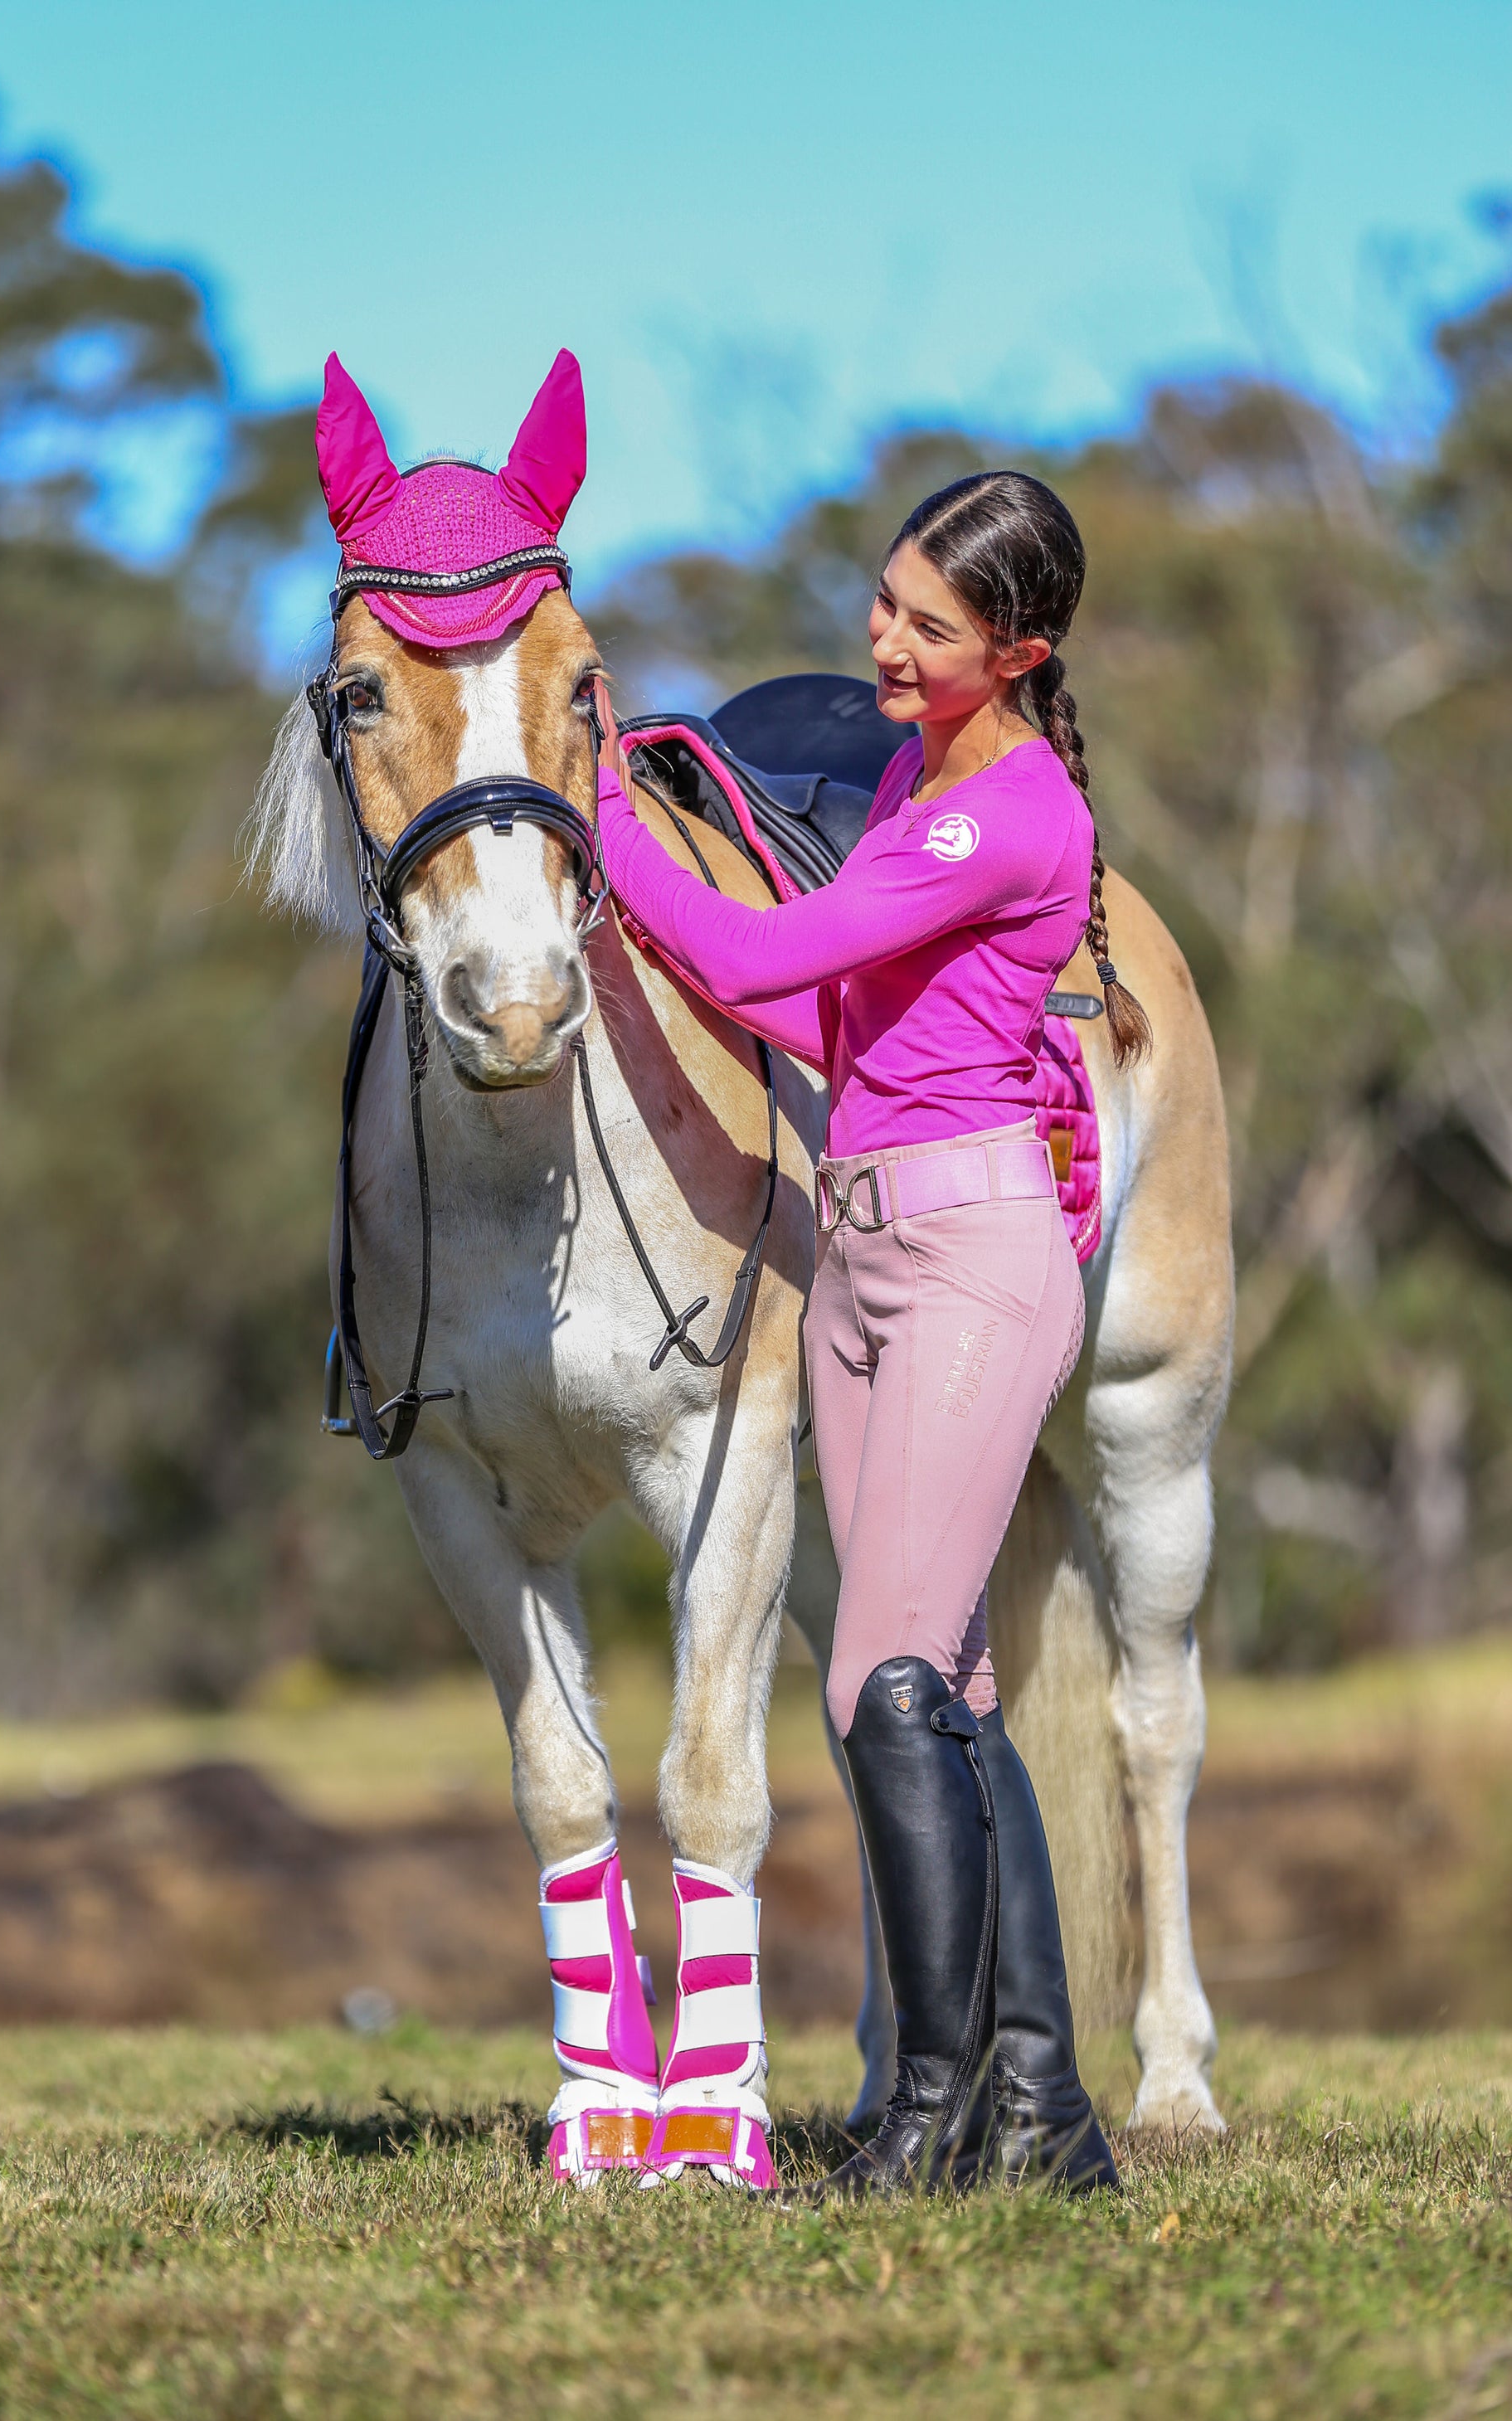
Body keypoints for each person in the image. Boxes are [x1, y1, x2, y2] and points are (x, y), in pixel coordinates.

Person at [592, 472, 1144, 2196]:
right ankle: (1040, 2113)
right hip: (863, 1252)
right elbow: (811, 1009)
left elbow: (768, 952)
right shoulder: (915, 776)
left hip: (971, 1254)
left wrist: (599, 806)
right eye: (885, 601)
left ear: (1020, 649)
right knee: (946, 1688)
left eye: (928, 623)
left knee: (879, 1679)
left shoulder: (1011, 816)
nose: (883, 643)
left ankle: (921, 2109)